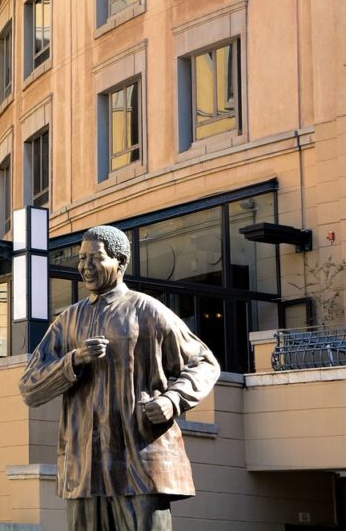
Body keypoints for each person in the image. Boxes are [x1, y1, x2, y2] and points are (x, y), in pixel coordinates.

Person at [19, 225, 220, 531]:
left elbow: (204, 362)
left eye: (95, 258)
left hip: (139, 460)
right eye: (81, 258)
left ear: (120, 262)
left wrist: (173, 400)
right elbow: (30, 387)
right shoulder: (68, 320)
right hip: (85, 467)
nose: (85, 266)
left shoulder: (149, 311)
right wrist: (73, 360)